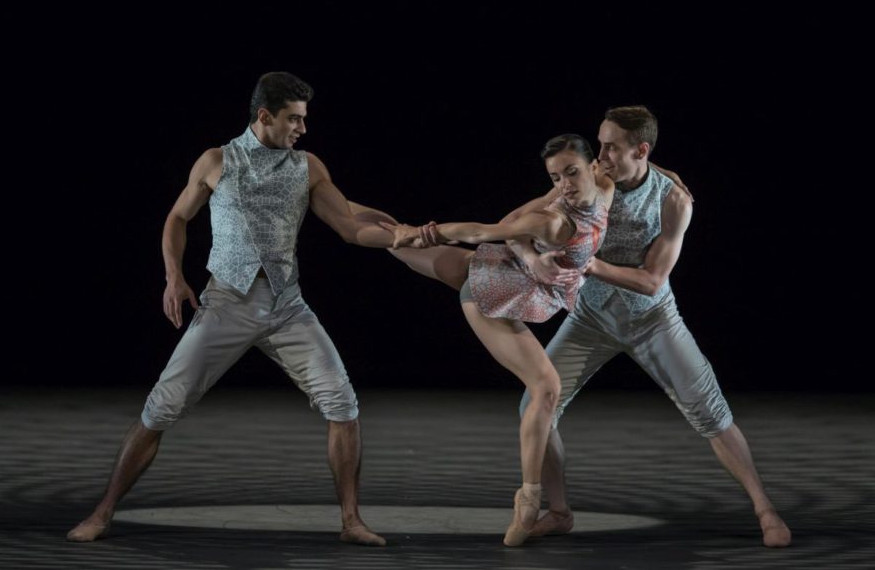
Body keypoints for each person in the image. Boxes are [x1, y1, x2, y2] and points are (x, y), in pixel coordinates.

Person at [66, 71, 402, 547]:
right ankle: (102, 513)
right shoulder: (216, 160)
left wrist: (400, 236)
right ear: (265, 116)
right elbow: (177, 217)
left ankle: (351, 522)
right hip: (226, 302)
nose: (302, 129)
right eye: (294, 119)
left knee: (343, 405)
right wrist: (174, 276)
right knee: (161, 408)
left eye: (304, 120)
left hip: (288, 305)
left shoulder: (308, 167)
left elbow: (349, 226)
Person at [510, 106, 792, 547]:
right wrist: (533, 260)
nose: (598, 155)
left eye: (610, 147)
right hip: (590, 318)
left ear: (641, 150)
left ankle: (765, 508)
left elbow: (651, 280)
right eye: (598, 143)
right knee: (535, 403)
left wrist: (587, 264)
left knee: (709, 410)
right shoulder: (588, 183)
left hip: (652, 318)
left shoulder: (673, 199)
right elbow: (513, 227)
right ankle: (559, 511)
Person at [349, 134, 614, 546]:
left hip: (494, 268)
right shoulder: (556, 219)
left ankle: (338, 209)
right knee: (546, 388)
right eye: (555, 177)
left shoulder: (605, 183)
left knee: (392, 238)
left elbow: (640, 164)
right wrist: (432, 231)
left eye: (571, 172)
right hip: (492, 295)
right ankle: (529, 496)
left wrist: (672, 178)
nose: (563, 184)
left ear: (594, 165)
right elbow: (486, 229)